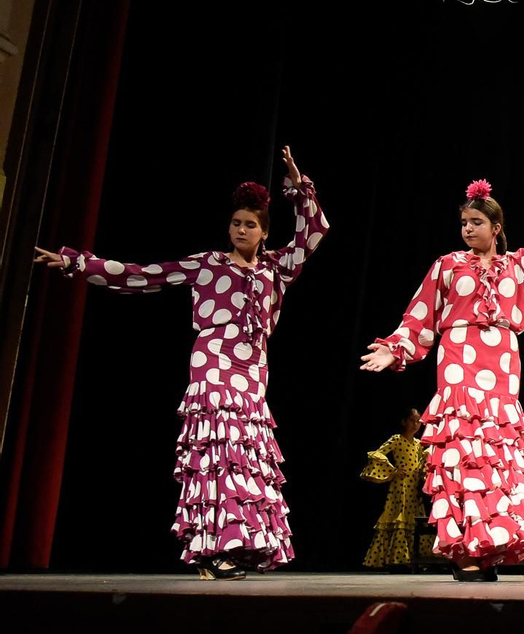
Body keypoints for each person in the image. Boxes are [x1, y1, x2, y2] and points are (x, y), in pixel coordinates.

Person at [35, 146, 327, 579]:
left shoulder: (275, 269)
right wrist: (77, 263)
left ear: (265, 232)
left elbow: (315, 232)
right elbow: (141, 273)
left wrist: (299, 188)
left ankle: (243, 545)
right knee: (217, 450)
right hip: (213, 361)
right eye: (236, 223)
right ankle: (213, 550)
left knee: (245, 455)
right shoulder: (207, 264)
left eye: (250, 224)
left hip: (254, 370)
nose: (241, 229)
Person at [359, 163, 524, 582]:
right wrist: (396, 349)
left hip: (500, 362)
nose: (467, 228)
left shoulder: (516, 268)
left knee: (495, 457)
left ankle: (490, 545)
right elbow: (420, 316)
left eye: (477, 222)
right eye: (463, 222)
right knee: (463, 451)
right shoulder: (447, 266)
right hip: (459, 360)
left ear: (496, 227)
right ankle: (462, 548)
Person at [361, 407, 428, 570]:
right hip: (401, 485)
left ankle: (414, 558)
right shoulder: (397, 439)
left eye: (418, 421)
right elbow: (377, 453)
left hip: (414, 487)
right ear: (404, 422)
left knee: (414, 518)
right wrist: (392, 472)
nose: (415, 424)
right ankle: (397, 559)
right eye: (412, 420)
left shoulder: (419, 444)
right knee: (399, 516)